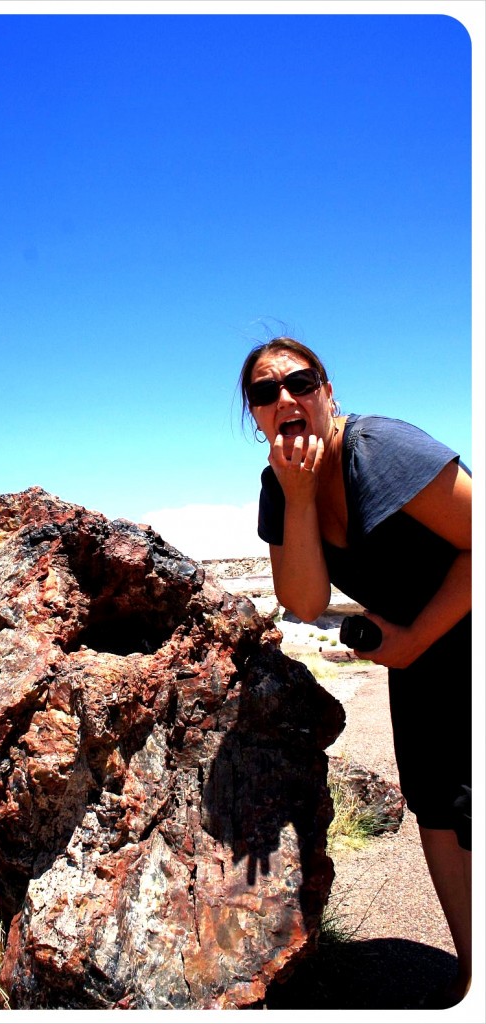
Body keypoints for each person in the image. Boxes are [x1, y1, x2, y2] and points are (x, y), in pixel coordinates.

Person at [239, 336, 472, 1007]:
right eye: (265, 392)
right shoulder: (281, 485)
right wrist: (299, 498)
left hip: (460, 624)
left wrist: (415, 638)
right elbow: (305, 598)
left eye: (299, 381)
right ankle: (473, 972)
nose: (285, 398)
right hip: (419, 651)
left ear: (327, 390)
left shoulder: (378, 448)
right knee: (439, 806)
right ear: (256, 415)